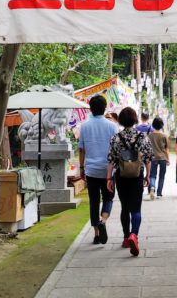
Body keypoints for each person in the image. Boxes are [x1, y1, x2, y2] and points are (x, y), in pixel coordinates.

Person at [106, 106, 153, 256]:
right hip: (137, 175)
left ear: (121, 120)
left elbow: (111, 160)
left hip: (121, 176)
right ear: (134, 119)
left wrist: (109, 178)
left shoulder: (116, 138)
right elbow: (148, 158)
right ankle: (134, 235)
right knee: (136, 209)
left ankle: (126, 238)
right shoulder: (143, 136)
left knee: (125, 208)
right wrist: (147, 176)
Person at [77, 95, 118, 244]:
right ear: (104, 108)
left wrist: (81, 168)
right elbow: (116, 149)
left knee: (94, 201)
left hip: (91, 170)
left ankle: (96, 233)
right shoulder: (112, 126)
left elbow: (81, 150)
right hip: (108, 170)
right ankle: (103, 220)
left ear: (91, 108)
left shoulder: (85, 126)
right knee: (108, 198)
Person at [147, 117, 170, 200]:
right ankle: (159, 193)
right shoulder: (164, 136)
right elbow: (167, 149)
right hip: (163, 158)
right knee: (162, 176)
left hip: (153, 158)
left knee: (152, 175)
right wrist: (168, 159)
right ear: (162, 125)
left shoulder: (149, 136)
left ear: (153, 125)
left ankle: (152, 187)